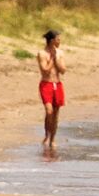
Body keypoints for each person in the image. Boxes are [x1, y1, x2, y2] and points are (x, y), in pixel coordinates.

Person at [36, 27, 66, 156]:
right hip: (46, 84)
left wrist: (57, 59)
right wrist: (52, 59)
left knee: (56, 114)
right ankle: (47, 135)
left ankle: (53, 139)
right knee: (49, 111)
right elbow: (45, 70)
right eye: (58, 39)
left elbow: (63, 70)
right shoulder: (42, 53)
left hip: (57, 84)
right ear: (52, 40)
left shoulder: (60, 53)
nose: (59, 41)